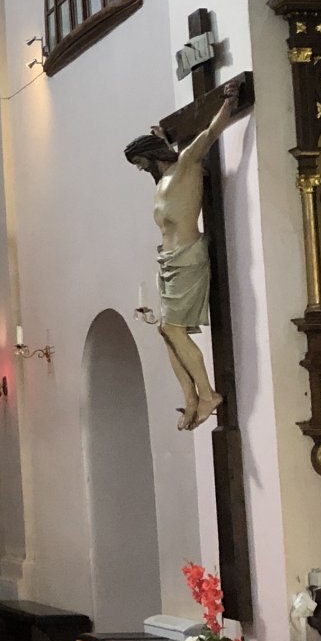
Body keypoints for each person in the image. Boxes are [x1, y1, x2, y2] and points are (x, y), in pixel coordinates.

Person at [124, 81, 246, 430]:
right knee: (167, 332)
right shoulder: (162, 181)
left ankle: (207, 395)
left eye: (139, 160)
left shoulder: (188, 165)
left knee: (172, 329)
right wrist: (164, 140)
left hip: (188, 256)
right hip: (170, 261)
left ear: (150, 154)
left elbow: (209, 133)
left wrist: (229, 102)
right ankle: (191, 399)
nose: (139, 167)